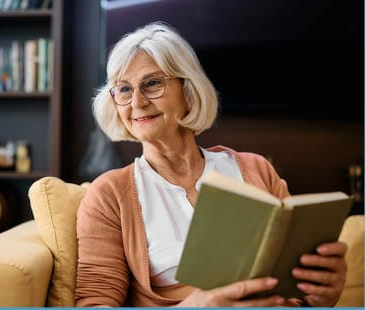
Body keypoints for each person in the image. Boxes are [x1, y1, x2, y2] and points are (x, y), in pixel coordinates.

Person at [75, 22, 347, 307]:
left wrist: (321, 294)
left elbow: (298, 291)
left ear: (188, 89)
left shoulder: (255, 169)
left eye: (152, 83)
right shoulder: (110, 194)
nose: (137, 102)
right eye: (124, 89)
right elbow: (95, 304)